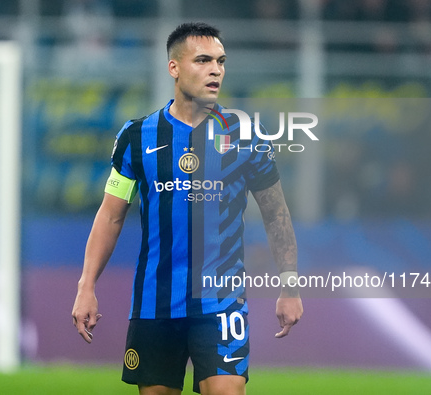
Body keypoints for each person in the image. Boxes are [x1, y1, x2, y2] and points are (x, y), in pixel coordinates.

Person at [72, 22, 303, 395]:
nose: (216, 70)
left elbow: (276, 213)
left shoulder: (246, 135)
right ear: (174, 68)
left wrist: (289, 284)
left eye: (221, 61)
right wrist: (86, 286)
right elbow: (111, 214)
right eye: (203, 60)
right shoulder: (136, 137)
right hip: (155, 302)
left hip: (221, 301)